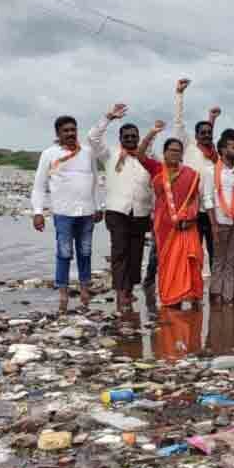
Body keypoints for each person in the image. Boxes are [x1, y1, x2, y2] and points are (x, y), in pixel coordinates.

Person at [87, 105, 159, 313]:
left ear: (138, 138)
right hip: (117, 212)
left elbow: (154, 184)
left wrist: (155, 211)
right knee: (119, 252)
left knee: (136, 254)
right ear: (120, 138)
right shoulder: (110, 154)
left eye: (133, 136)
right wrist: (108, 117)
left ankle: (128, 289)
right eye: (126, 136)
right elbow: (92, 139)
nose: (130, 139)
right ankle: (121, 292)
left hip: (141, 213)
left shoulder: (146, 158)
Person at [31, 115, 104, 314]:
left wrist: (99, 206)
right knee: (64, 253)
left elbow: (95, 180)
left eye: (73, 129)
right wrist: (38, 212)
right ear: (58, 134)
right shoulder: (49, 154)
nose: (71, 133)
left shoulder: (87, 152)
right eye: (66, 130)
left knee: (86, 252)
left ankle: (84, 290)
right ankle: (63, 292)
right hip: (63, 213)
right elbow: (39, 186)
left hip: (87, 212)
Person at [172, 78, 221, 272]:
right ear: (195, 135)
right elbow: (178, 122)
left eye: (209, 133)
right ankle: (192, 287)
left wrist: (212, 119)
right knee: (192, 250)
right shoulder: (189, 147)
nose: (207, 135)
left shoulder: (215, 155)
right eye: (203, 133)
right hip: (191, 210)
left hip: (211, 210)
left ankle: (214, 287)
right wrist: (179, 94)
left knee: (214, 250)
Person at [151, 138, 204, 308]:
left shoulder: (191, 174)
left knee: (189, 260)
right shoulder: (157, 172)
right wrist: (153, 133)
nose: (175, 153)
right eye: (172, 150)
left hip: (187, 225)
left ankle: (190, 294)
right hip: (165, 226)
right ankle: (170, 296)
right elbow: (140, 156)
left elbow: (195, 199)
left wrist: (189, 217)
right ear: (165, 153)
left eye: (178, 151)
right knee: (168, 262)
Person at [204, 129, 234, 305]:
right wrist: (213, 223)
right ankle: (216, 295)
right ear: (222, 149)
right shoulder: (211, 170)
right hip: (220, 221)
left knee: (231, 260)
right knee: (218, 259)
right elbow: (207, 198)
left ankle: (228, 296)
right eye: (232, 147)